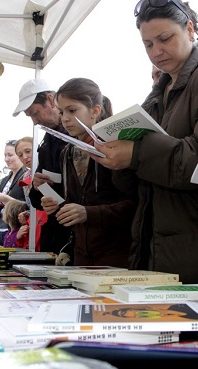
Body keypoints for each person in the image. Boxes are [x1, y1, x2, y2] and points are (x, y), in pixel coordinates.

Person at [92, 0, 198, 283]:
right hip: (151, 248)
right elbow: (135, 188)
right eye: (147, 44)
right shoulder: (156, 97)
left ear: (189, 29)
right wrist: (115, 160)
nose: (156, 52)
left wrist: (136, 154)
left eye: (165, 39)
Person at [41, 77, 137, 267]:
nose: (65, 118)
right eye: (61, 112)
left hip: (117, 257)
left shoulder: (115, 147)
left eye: (72, 110)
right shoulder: (67, 152)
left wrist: (88, 213)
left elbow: (136, 205)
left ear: (95, 110)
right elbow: (80, 203)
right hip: (81, 256)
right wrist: (57, 206)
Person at [13, 78, 72, 257]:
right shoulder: (46, 144)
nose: (35, 122)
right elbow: (37, 201)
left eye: (35, 113)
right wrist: (37, 186)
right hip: (56, 232)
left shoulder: (75, 138)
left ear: (50, 100)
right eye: (30, 116)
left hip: (75, 232)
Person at [0, 140, 27, 248]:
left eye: (10, 155)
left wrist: (5, 198)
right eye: (5, 155)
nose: (6, 159)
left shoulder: (26, 177)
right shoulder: (4, 180)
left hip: (15, 229)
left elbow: (27, 205)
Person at [14, 136, 45, 251]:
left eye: (28, 151)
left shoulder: (48, 168)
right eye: (20, 155)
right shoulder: (26, 176)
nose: (25, 157)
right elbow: (32, 204)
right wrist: (26, 213)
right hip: (35, 225)